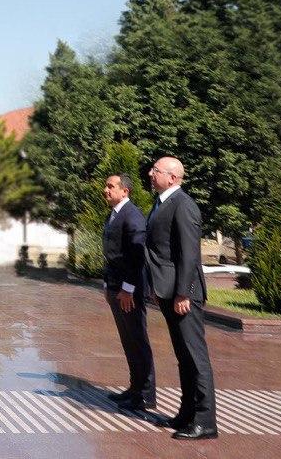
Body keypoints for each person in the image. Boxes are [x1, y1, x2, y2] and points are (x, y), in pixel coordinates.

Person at [145, 156, 217, 441]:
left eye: (156, 170)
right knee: (183, 356)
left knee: (195, 357)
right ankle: (187, 413)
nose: (150, 173)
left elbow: (189, 253)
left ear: (172, 178)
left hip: (184, 294)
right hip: (169, 291)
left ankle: (205, 421)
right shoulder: (162, 202)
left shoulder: (183, 204)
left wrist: (183, 292)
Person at [101, 173, 155, 410]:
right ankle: (135, 388)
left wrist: (127, 288)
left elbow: (136, 255)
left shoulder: (132, 216)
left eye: (111, 186)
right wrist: (108, 285)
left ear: (125, 191)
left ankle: (146, 394)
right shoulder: (114, 214)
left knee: (137, 339)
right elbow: (112, 255)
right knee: (128, 340)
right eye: (106, 186)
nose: (105, 190)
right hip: (116, 286)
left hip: (129, 290)